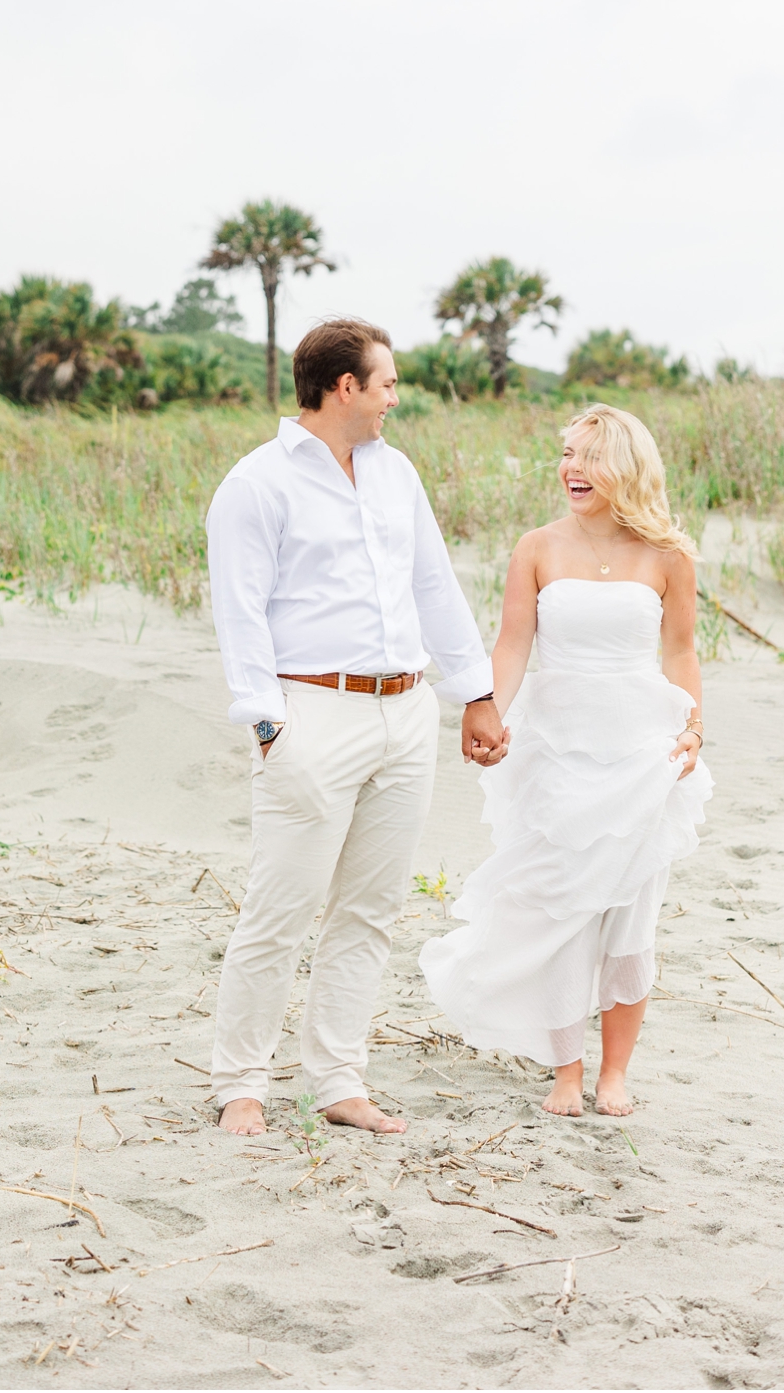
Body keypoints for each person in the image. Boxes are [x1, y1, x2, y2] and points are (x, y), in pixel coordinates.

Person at [206, 317, 499, 1138]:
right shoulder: (257, 483)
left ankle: (338, 1078)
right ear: (346, 388)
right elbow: (240, 611)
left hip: (406, 712)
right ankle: (242, 1084)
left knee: (368, 910)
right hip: (312, 713)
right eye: (388, 384)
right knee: (280, 907)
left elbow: (434, 586)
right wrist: (268, 725)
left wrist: (473, 690)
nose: (394, 400)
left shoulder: (394, 473)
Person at [420, 404, 712, 1117]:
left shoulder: (669, 554)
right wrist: (486, 706)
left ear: (627, 467)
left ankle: (615, 1072)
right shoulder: (538, 547)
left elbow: (680, 652)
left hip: (642, 752)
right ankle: (567, 1071)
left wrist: (693, 730)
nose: (571, 468)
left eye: (589, 456)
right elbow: (514, 642)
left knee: (628, 914)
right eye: (566, 454)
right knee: (562, 909)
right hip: (556, 749)